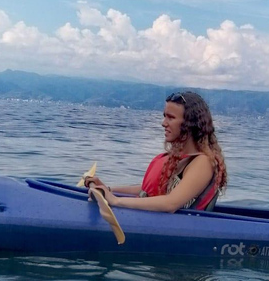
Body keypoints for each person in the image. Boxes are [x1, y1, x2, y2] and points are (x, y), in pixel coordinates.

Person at [85, 91, 227, 213]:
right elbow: (146, 190)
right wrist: (108, 189)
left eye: (170, 117)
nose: (163, 123)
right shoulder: (175, 158)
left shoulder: (202, 162)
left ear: (190, 124)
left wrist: (116, 201)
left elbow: (170, 204)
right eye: (164, 116)